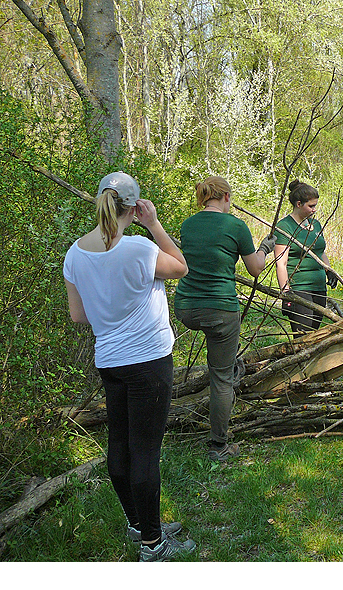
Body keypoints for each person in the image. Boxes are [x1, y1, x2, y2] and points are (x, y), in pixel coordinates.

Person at [64, 172, 195, 561]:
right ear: (134, 206)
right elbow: (180, 266)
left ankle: (139, 523)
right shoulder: (138, 248)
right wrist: (153, 223)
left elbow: (77, 315)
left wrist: (109, 312)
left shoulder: (75, 253)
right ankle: (153, 545)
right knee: (144, 453)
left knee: (119, 445)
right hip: (148, 361)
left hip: (110, 361)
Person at [175, 176, 275, 461]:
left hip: (187, 307)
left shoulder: (188, 225)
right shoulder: (235, 226)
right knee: (221, 377)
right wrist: (266, 248)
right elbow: (255, 268)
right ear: (227, 197)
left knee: (217, 362)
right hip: (220, 309)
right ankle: (219, 445)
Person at [274, 180, 337, 337]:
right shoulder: (285, 226)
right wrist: (286, 292)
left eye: (315, 205)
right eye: (311, 206)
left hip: (319, 285)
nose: (314, 210)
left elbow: (320, 251)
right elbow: (281, 263)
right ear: (298, 204)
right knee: (303, 335)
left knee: (315, 333)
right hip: (299, 287)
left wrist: (329, 270)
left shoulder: (315, 224)